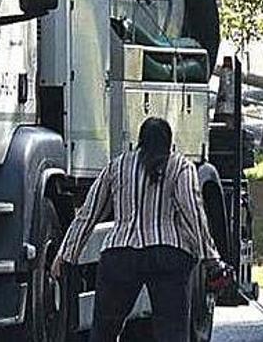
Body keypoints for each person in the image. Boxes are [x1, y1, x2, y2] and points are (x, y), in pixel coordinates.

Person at [51, 117, 225, 342]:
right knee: (172, 332)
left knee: (103, 331)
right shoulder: (181, 166)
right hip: (168, 256)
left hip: (120, 257)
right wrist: (211, 259)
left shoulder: (118, 165)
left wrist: (65, 255)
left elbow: (88, 214)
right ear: (169, 143)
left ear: (139, 142)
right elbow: (193, 213)